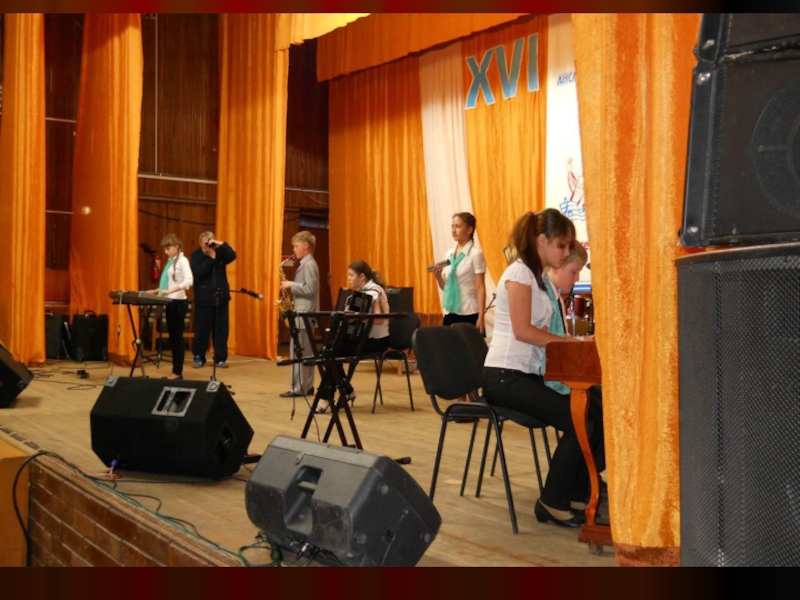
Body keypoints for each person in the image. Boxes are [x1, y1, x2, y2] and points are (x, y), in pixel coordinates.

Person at [482, 209, 604, 528]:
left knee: (592, 413)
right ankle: (552, 502)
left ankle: (577, 492)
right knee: (581, 422)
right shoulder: (520, 274)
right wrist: (571, 343)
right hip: (504, 377)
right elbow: (523, 331)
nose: (565, 253)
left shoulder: (536, 277)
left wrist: (574, 343)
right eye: (561, 246)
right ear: (541, 240)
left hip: (525, 374)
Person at [543, 241, 605, 516]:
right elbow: (552, 344)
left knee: (603, 412)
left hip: (555, 373)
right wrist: (579, 343)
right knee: (587, 421)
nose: (577, 278)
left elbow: (566, 338)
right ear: (557, 267)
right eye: (574, 271)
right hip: (539, 377)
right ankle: (555, 497)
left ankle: (584, 485)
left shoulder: (561, 296)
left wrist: (583, 341)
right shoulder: (545, 295)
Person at [315, 260, 390, 414]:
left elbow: (380, 319)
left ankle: (327, 396)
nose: (349, 278)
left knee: (330, 352)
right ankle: (346, 390)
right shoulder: (361, 293)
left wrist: (356, 318)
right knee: (326, 351)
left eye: (351, 275)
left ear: (362, 276)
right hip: (363, 339)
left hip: (377, 341)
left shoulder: (374, 292)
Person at [279, 231, 320, 398]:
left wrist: (291, 284)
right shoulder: (307, 263)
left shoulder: (309, 264)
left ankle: (298, 388)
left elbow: (310, 289)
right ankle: (307, 386)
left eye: (296, 246)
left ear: (306, 246)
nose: (294, 250)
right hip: (304, 312)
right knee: (306, 353)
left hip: (304, 314)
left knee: (299, 352)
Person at [431, 212, 487, 334]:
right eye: (452, 226)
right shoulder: (449, 254)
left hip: (469, 311)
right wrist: (438, 277)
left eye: (458, 226)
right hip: (451, 311)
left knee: (469, 345)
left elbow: (480, 287)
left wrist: (481, 316)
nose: (453, 230)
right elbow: (446, 287)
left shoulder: (476, 254)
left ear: (469, 230)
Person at [147, 234, 193, 380]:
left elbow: (189, 281)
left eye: (168, 248)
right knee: (173, 338)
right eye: (165, 249)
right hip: (170, 302)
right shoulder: (170, 262)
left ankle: (177, 372)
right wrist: (156, 291)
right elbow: (169, 284)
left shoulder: (182, 261)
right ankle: (176, 371)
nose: (165, 252)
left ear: (177, 246)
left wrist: (169, 291)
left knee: (177, 338)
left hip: (178, 303)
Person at [190, 231, 236, 369]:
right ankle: (199, 357)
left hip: (220, 298)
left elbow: (232, 255)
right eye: (206, 243)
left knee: (221, 330)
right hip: (203, 299)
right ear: (200, 243)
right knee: (202, 330)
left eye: (211, 242)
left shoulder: (220, 253)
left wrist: (220, 244)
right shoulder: (196, 255)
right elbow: (198, 272)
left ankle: (220, 358)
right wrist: (210, 259)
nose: (208, 245)